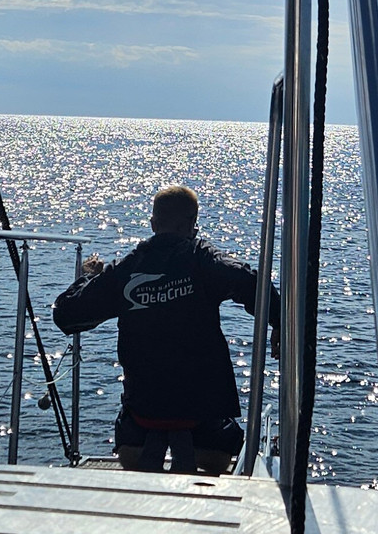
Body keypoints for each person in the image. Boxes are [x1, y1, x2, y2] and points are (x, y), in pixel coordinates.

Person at [52, 185, 279, 474]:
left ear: (153, 224)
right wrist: (278, 324)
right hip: (203, 419)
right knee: (220, 456)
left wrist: (87, 278)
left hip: (144, 415)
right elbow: (252, 283)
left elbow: (67, 315)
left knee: (134, 442)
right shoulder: (203, 259)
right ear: (192, 225)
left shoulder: (127, 269)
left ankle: (148, 447)